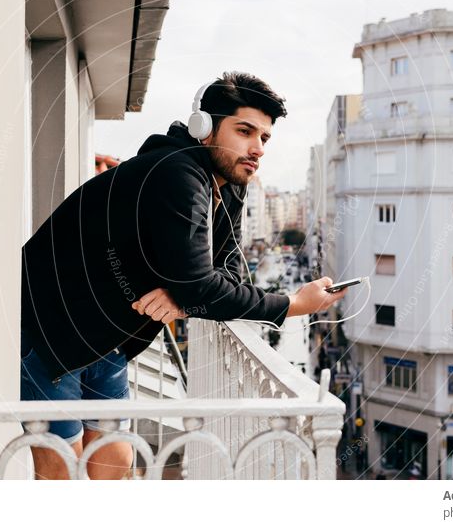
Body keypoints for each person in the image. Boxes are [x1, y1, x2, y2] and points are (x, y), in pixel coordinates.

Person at [20, 72, 348, 479]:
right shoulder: (176, 173)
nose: (257, 148)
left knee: (115, 462)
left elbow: (224, 268)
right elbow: (201, 283)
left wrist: (182, 294)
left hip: (109, 338)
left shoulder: (228, 182)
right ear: (204, 128)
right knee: (59, 472)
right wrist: (293, 305)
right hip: (54, 333)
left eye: (264, 138)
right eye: (244, 131)